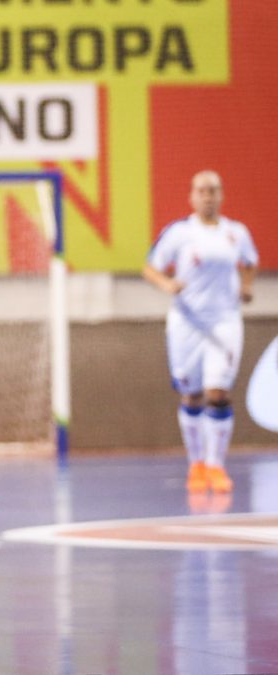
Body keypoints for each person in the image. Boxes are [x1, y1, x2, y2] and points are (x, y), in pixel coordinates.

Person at [143, 170, 257, 494]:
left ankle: (216, 465)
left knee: (218, 392)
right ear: (192, 196)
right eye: (202, 191)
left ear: (221, 195)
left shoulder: (236, 233)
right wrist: (168, 283)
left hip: (224, 321)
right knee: (191, 393)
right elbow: (150, 267)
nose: (208, 196)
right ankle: (196, 465)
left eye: (214, 190)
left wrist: (246, 287)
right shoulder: (180, 233)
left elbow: (249, 262)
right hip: (187, 322)